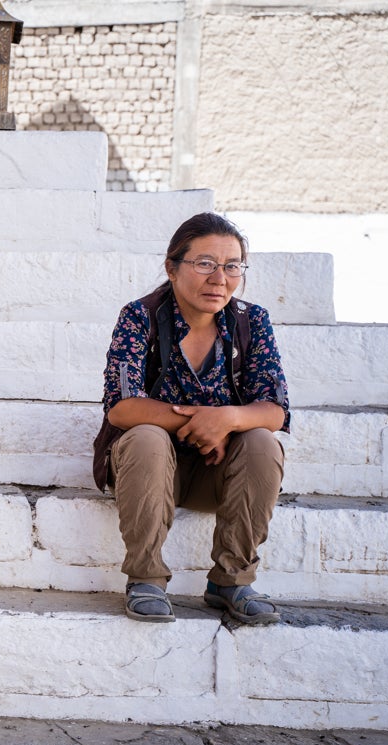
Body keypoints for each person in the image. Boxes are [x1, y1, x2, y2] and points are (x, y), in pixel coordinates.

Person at [94, 212, 289, 625]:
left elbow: (274, 410)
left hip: (216, 475)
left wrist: (228, 420)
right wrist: (204, 425)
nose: (219, 278)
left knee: (261, 442)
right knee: (146, 436)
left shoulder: (251, 322)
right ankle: (145, 579)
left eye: (231, 265)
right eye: (204, 263)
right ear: (172, 266)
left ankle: (231, 581)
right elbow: (123, 406)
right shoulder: (140, 317)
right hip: (144, 471)